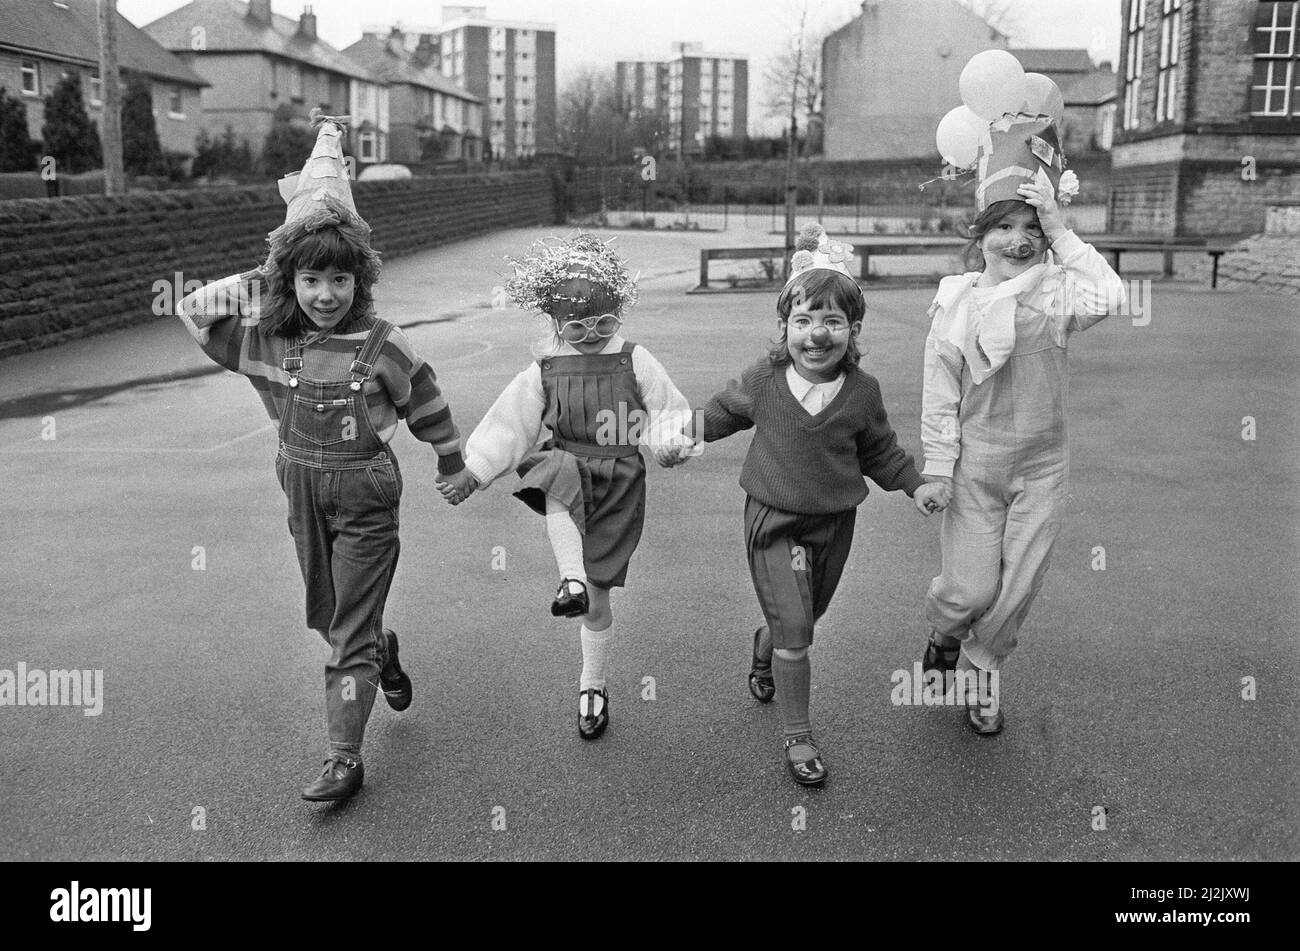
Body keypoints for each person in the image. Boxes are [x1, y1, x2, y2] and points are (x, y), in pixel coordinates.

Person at [174, 111, 465, 801]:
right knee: (326, 618)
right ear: (290, 282)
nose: (325, 294)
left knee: (348, 634)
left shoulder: (384, 341)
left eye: (338, 279)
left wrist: (452, 462)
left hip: (366, 498)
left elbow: (427, 402)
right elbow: (193, 310)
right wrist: (272, 265)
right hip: (301, 493)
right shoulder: (269, 345)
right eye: (309, 279)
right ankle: (381, 651)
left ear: (358, 280)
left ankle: (344, 756)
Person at [697, 224, 948, 787]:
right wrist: (677, 431)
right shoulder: (765, 379)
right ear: (784, 326)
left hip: (834, 523)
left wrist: (916, 484)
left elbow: (879, 450)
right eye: (803, 320)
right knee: (797, 631)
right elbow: (719, 413)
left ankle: (765, 649)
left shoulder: (862, 391)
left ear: (853, 329)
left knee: (804, 618)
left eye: (832, 321)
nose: (816, 334)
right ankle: (798, 737)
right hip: (773, 521)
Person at [438, 234, 693, 740]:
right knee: (554, 474)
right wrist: (476, 470)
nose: (591, 335)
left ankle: (592, 678)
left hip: (619, 477)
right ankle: (569, 580)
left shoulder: (635, 360)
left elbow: (669, 411)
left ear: (618, 311)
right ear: (555, 324)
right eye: (576, 326)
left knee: (600, 599)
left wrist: (669, 442)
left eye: (604, 323)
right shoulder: (546, 369)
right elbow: (511, 423)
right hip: (570, 457)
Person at [920, 110, 1126, 735]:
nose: (1017, 240)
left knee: (1019, 588)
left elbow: (1111, 297)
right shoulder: (958, 302)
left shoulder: (1057, 292)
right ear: (978, 235)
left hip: (1042, 467)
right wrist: (936, 466)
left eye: (1030, 228)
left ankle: (983, 672)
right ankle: (946, 630)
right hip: (976, 467)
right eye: (1002, 226)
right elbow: (939, 392)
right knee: (971, 590)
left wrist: (1063, 230)